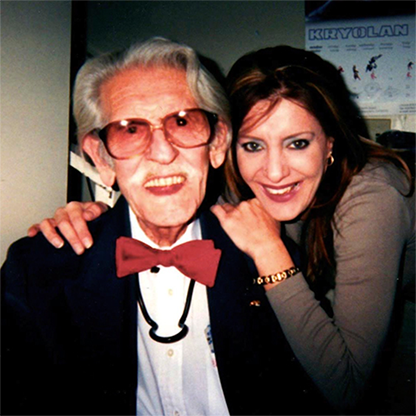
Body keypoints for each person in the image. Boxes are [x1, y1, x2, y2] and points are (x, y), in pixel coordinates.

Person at [33, 45, 416, 414]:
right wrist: (96, 214)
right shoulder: (231, 189)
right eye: (252, 146)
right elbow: (164, 187)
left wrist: (269, 250)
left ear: (330, 142)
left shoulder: (374, 195)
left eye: (298, 143)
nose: (274, 172)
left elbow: (347, 387)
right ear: (227, 145)